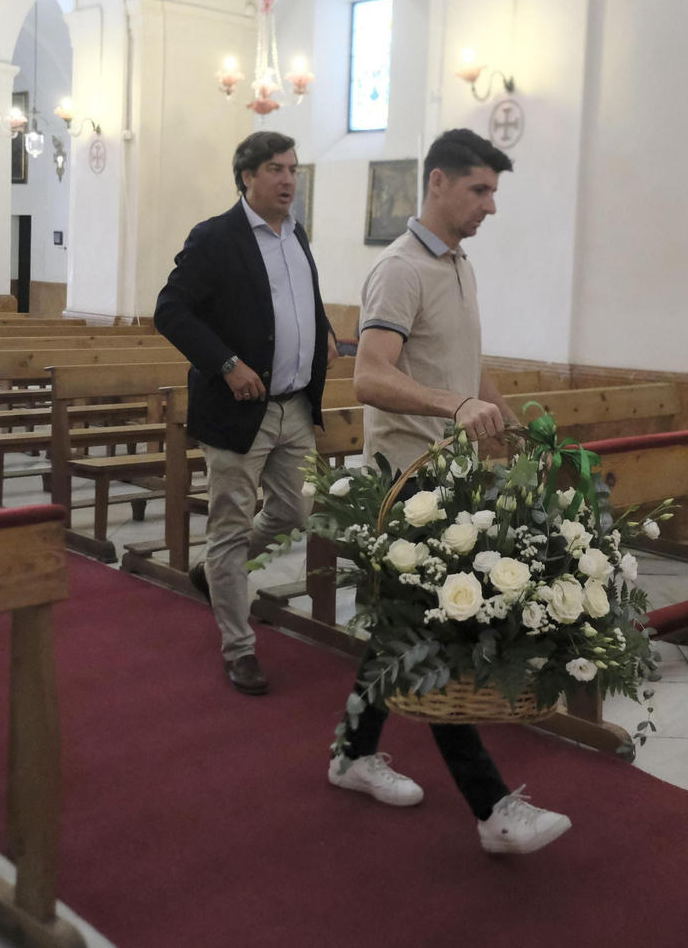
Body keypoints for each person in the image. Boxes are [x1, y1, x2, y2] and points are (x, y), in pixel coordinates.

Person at [333, 128, 572, 855]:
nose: (491, 206)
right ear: (437, 182)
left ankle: (350, 753)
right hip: (407, 483)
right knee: (444, 633)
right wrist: (453, 406)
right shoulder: (400, 269)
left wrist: (506, 419)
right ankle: (493, 806)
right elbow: (368, 376)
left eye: (494, 191)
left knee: (400, 631)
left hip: (453, 480)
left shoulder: (458, 263)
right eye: (480, 189)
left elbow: (466, 366)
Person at [153, 131, 338, 696]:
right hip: (239, 411)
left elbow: (296, 296)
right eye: (276, 169)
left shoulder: (295, 232)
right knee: (230, 525)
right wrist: (226, 362)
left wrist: (322, 328)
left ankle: (214, 572)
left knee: (293, 509)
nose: (288, 180)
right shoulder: (215, 237)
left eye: (293, 170)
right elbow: (171, 311)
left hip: (294, 406)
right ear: (246, 177)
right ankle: (239, 648)